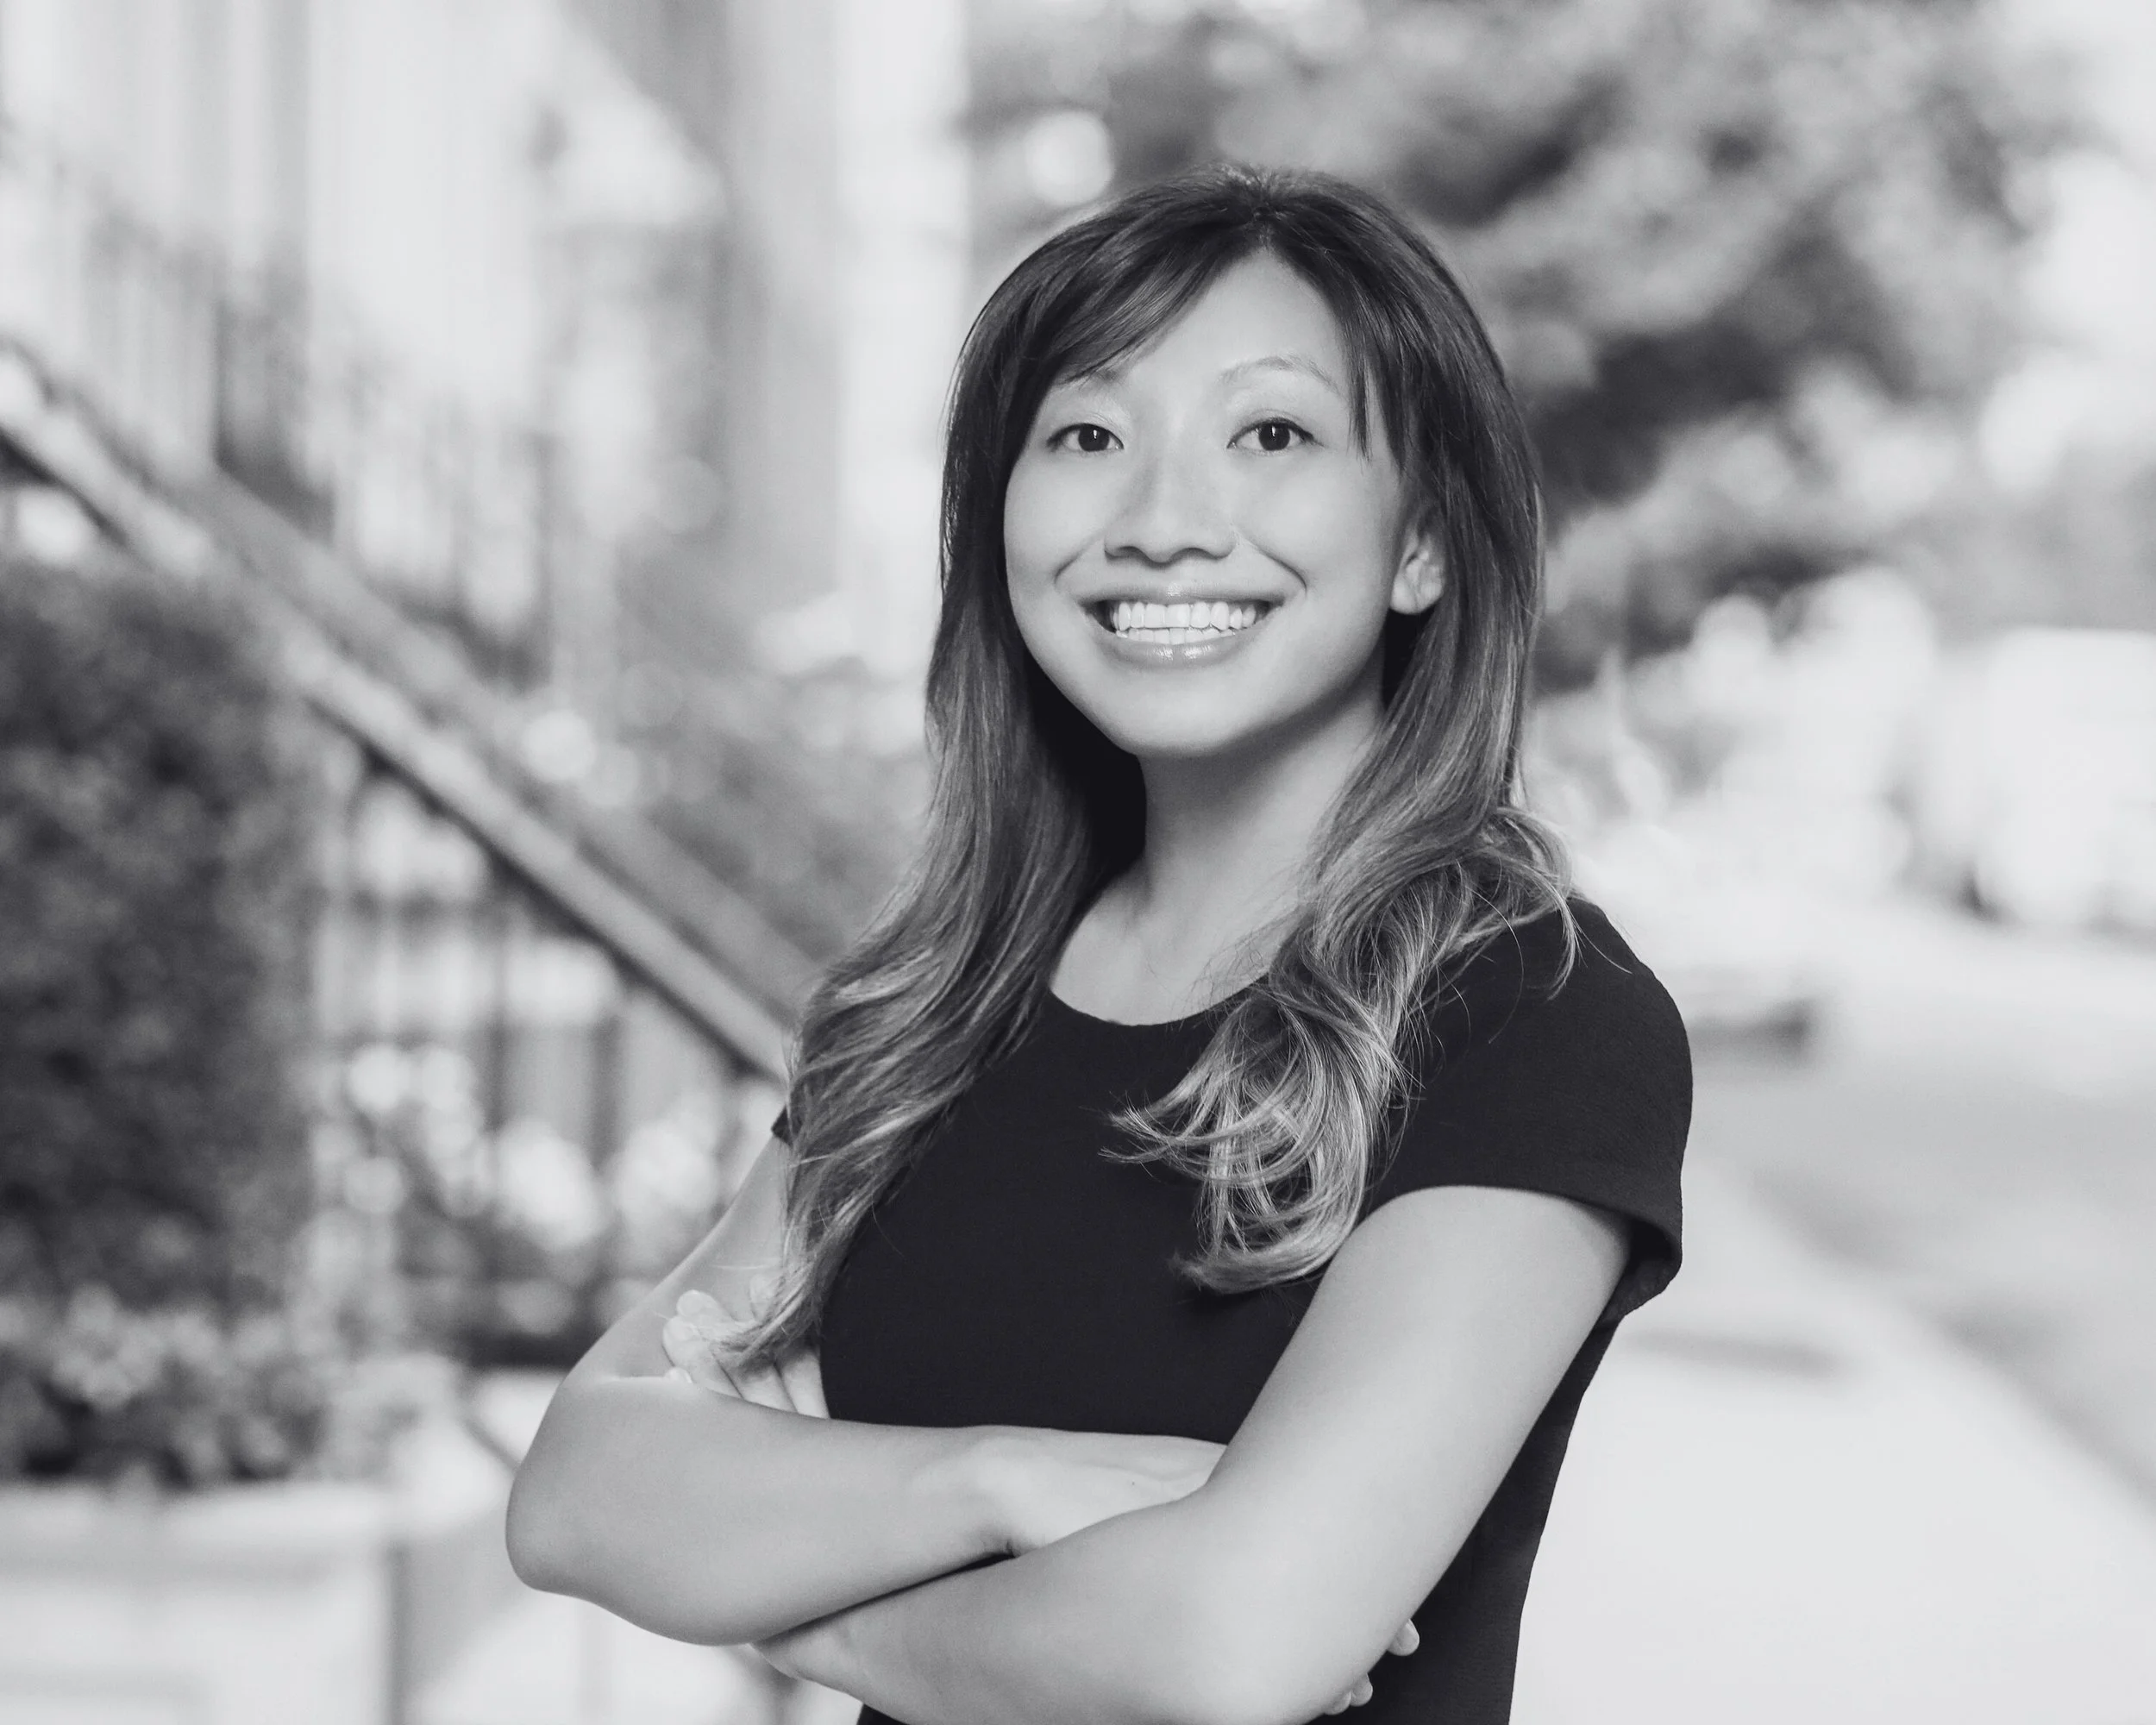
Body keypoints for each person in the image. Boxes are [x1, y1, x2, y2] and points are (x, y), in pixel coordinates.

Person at [507, 164, 1690, 1725]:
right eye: (1086, 436)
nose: (1161, 524)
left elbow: (1225, 1648)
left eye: (1272, 435)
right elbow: (581, 1493)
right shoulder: (933, 1008)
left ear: (1423, 547)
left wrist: (822, 1616)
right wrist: (996, 1486)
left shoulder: (1534, 1016)